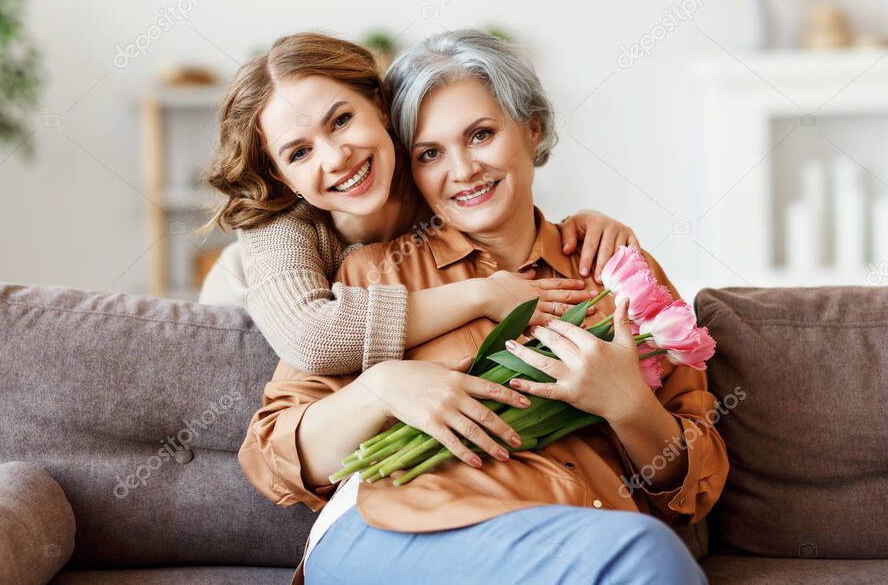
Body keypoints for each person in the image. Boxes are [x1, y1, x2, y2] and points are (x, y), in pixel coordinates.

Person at [238, 30, 727, 585]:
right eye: (430, 153)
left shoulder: (613, 273)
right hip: (407, 525)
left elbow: (697, 486)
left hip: (579, 537)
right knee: (642, 555)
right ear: (411, 167)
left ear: (532, 127)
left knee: (640, 552)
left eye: (482, 134)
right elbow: (272, 456)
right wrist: (384, 386)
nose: (464, 169)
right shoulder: (370, 273)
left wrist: (628, 404)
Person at [198, 32, 640, 375]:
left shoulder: (425, 170)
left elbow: (499, 197)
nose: (335, 158)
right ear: (280, 175)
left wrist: (577, 225)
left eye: (342, 120)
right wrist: (486, 294)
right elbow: (315, 339)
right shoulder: (278, 227)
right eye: (299, 152)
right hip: (252, 324)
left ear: (380, 106)